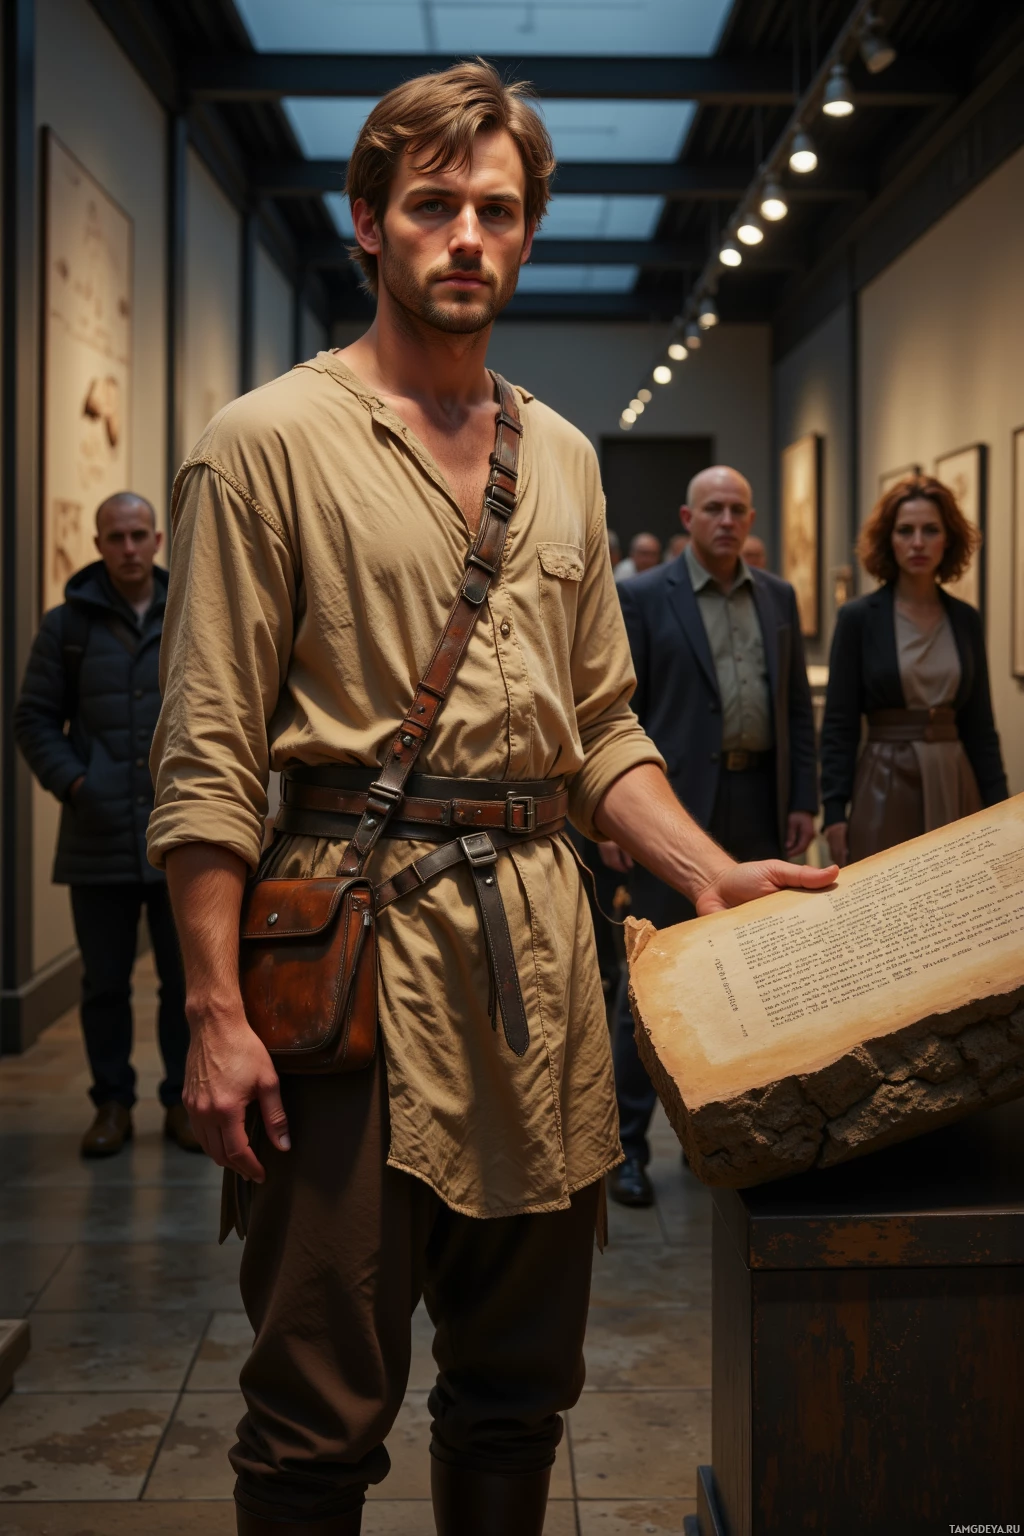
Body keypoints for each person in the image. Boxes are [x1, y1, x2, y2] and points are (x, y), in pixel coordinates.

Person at [147, 63, 835, 1536]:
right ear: (368, 224)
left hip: (541, 958)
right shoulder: (266, 441)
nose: (469, 234)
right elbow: (207, 756)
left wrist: (707, 869)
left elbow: (596, 728)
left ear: (525, 238)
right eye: (434, 205)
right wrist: (211, 1014)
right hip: (348, 964)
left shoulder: (567, 459)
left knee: (520, 1393)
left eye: (498, 210)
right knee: (317, 1416)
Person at [603, 465, 819, 1206]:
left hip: (761, 802)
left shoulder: (779, 597)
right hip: (675, 811)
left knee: (751, 982)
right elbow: (615, 716)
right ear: (688, 517)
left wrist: (804, 797)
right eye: (713, 509)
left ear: (751, 517)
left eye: (738, 510)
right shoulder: (640, 596)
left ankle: (732, 1138)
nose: (727, 521)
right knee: (653, 988)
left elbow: (795, 711)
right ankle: (626, 1149)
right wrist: (615, 820)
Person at [14, 493, 197, 1157]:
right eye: (115, 537)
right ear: (98, 544)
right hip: (96, 835)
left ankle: (184, 1102)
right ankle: (112, 1106)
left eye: (139, 534)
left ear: (157, 541)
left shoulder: (191, 614)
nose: (128, 548)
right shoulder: (66, 626)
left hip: (178, 834)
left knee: (187, 982)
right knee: (104, 985)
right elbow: (33, 719)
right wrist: (77, 782)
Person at [821, 475, 1007, 865]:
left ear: (949, 540)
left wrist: (1001, 811)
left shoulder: (964, 619)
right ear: (889, 540)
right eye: (906, 530)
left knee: (962, 898)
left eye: (930, 530)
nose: (918, 542)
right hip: (885, 780)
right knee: (884, 901)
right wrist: (834, 812)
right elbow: (840, 724)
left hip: (957, 779)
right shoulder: (858, 618)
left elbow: (979, 726)